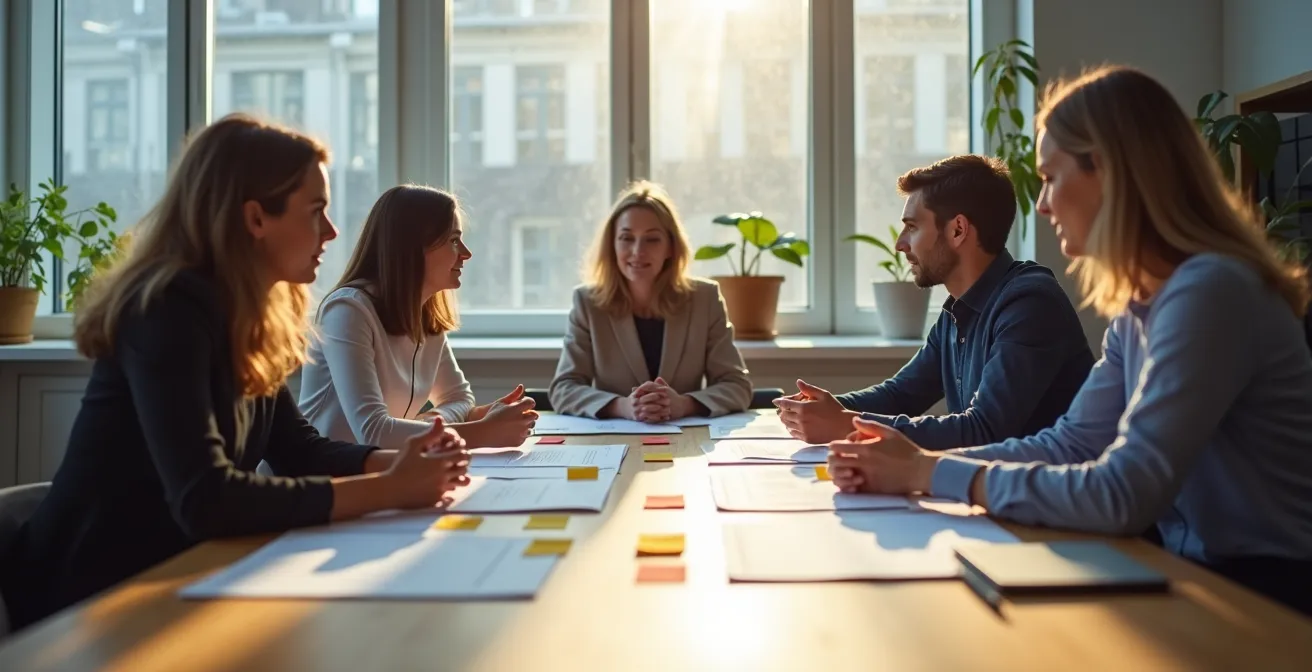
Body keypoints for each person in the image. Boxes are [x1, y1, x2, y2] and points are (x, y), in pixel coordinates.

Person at [827, 66, 1312, 615]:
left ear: (1108, 171)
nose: (1044, 204)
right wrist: (915, 465)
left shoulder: (1211, 292)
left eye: (1053, 178)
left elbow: (1124, 493)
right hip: (1192, 576)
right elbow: (1071, 445)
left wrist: (926, 471)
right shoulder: (1142, 309)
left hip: (1267, 599)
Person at [0, 115, 470, 632]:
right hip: (92, 600)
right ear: (255, 219)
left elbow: (300, 450)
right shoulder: (165, 311)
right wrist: (391, 488)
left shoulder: (250, 314)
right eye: (316, 212)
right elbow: (207, 498)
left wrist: (407, 461)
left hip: (178, 575)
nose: (332, 232)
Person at [775, 155, 1093, 449]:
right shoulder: (958, 312)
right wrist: (820, 408)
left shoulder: (1029, 303)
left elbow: (985, 431)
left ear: (957, 230)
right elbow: (901, 395)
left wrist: (846, 425)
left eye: (912, 227)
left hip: (1043, 502)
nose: (900, 244)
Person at [298, 185, 538, 449]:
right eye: (454, 240)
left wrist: (437, 424)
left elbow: (460, 398)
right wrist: (481, 432)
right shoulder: (348, 311)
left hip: (378, 476)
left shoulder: (424, 315)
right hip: (316, 483)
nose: (466, 253)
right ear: (412, 247)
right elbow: (374, 431)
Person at [550, 180, 751, 421]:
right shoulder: (587, 302)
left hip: (686, 444)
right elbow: (564, 388)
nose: (637, 251)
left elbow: (737, 386)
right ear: (612, 245)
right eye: (626, 238)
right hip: (613, 443)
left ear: (670, 248)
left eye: (652, 239)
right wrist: (623, 407)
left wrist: (684, 405)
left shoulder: (704, 299)